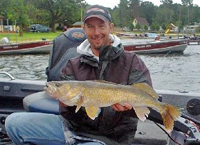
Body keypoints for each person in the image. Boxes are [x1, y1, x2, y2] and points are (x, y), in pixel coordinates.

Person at [5, 5, 152, 145]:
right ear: (84, 29)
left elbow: (145, 101)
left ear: (111, 27)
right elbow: (67, 113)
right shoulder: (73, 65)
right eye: (90, 27)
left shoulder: (132, 61)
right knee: (14, 123)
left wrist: (130, 109)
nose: (96, 32)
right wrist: (65, 102)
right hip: (72, 130)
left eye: (101, 26)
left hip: (110, 138)